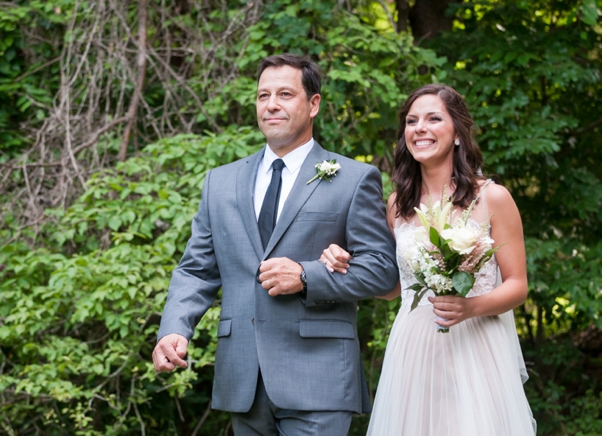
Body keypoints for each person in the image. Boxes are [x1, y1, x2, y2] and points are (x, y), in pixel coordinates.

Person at [151, 53, 399, 435]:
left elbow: (383, 272)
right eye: (263, 95)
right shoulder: (220, 182)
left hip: (320, 379)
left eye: (285, 94)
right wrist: (174, 329)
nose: (271, 105)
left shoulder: (353, 178)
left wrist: (307, 275)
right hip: (242, 380)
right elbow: (197, 270)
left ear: (313, 104)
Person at [319, 84, 536, 435]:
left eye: (434, 118)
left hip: (477, 344)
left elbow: (518, 286)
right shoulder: (396, 205)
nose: (419, 127)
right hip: (413, 345)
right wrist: (346, 264)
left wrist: (470, 307)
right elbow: (392, 287)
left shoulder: (493, 198)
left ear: (457, 135)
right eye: (411, 121)